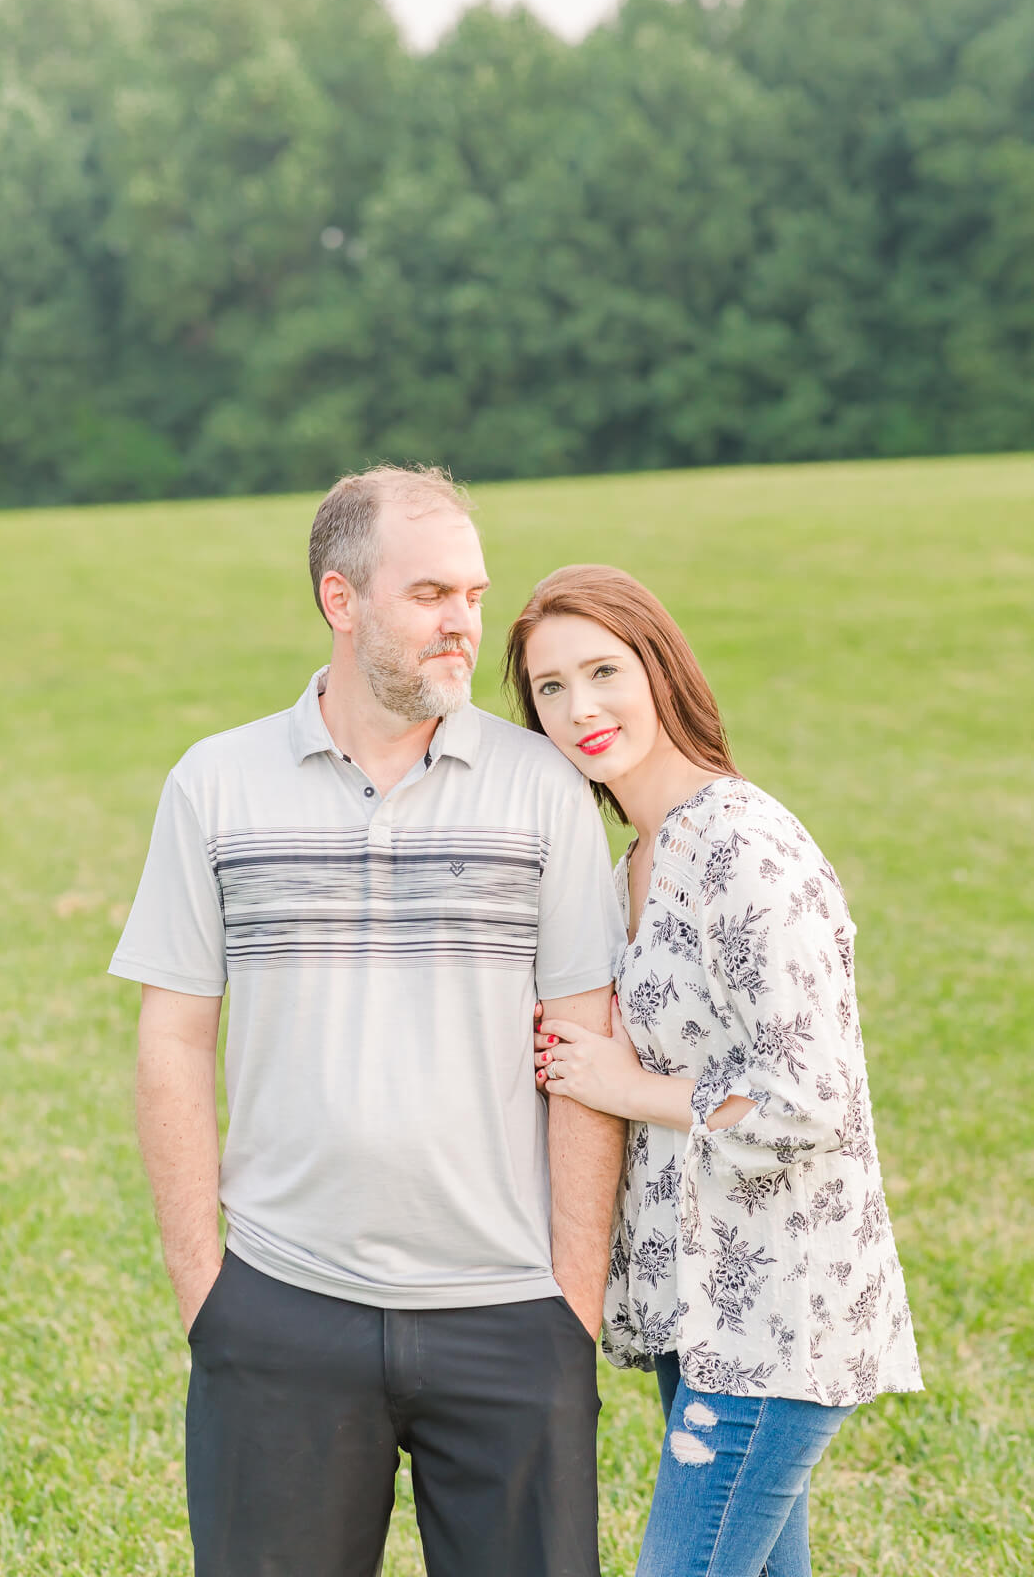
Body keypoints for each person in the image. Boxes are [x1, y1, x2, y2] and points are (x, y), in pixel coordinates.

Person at [109, 470, 628, 1577]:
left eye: (473, 594)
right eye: (430, 591)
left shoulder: (541, 790)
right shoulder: (215, 785)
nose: (463, 624)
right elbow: (172, 1039)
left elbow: (587, 1048)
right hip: (282, 1309)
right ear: (341, 601)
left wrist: (568, 1305)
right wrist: (210, 1289)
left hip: (509, 1314)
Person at [505, 565, 922, 1577]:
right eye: (548, 688)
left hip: (775, 1314)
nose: (579, 708)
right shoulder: (640, 858)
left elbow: (808, 1095)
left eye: (601, 669)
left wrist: (621, 1084)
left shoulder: (740, 846)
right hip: (703, 1307)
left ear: (660, 667)